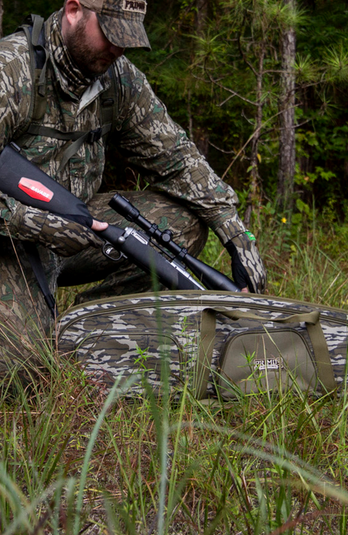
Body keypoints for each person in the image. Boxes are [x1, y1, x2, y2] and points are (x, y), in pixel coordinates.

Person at [0, 0, 266, 381]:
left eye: (127, 38)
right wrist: (35, 223)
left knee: (184, 223)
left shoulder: (117, 78)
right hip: (9, 240)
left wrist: (235, 231)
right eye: (109, 34)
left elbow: (176, 157)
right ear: (74, 9)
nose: (118, 48)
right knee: (21, 373)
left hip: (81, 229)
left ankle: (85, 324)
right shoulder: (11, 70)